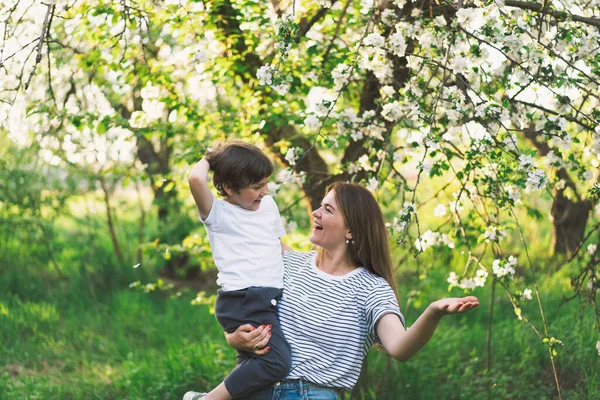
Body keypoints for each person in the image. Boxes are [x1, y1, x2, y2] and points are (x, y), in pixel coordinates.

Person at [222, 182, 479, 399]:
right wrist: (234, 338)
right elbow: (242, 298)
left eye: (328, 209)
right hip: (251, 390)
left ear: (351, 230)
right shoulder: (289, 263)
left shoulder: (371, 288)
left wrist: (433, 312)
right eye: (320, 206)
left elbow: (401, 348)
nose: (315, 213)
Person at [184, 141, 292, 400]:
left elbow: (279, 246)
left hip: (267, 299)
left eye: (266, 183)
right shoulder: (217, 213)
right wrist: (213, 156)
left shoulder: (268, 206)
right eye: (256, 187)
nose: (264, 191)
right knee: (275, 363)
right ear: (229, 188)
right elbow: (195, 178)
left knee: (256, 377)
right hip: (245, 299)